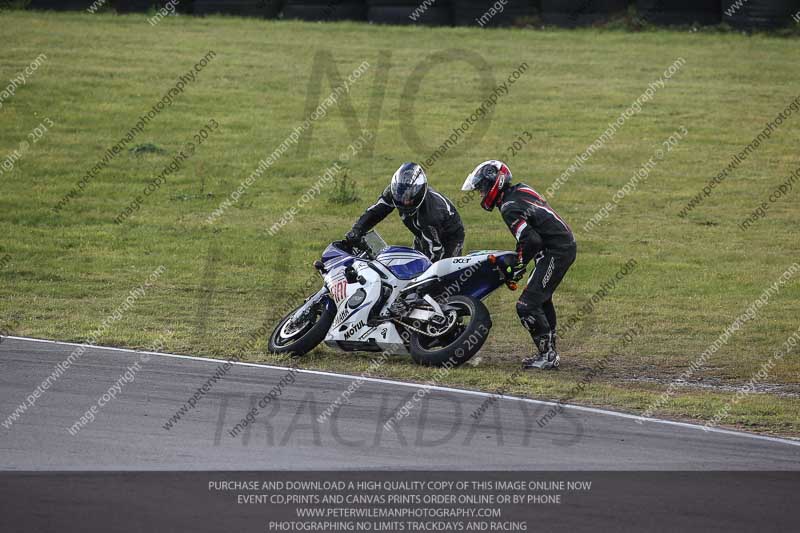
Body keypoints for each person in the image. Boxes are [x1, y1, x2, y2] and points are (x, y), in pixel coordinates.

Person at [461, 160, 576, 370]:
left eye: (482, 188)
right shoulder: (519, 190)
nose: (480, 193)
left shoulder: (508, 207)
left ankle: (548, 356)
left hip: (556, 251)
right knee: (541, 299)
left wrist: (519, 266)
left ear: (495, 184)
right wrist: (520, 263)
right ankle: (549, 352)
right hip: (558, 247)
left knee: (526, 305)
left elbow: (531, 241)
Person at [345, 162, 465, 261]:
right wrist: (357, 229)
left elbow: (434, 251)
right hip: (421, 232)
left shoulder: (430, 215)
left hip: (451, 235)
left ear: (419, 192)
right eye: (401, 196)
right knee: (415, 263)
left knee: (443, 271)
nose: (404, 202)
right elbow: (376, 212)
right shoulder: (394, 192)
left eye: (408, 198)